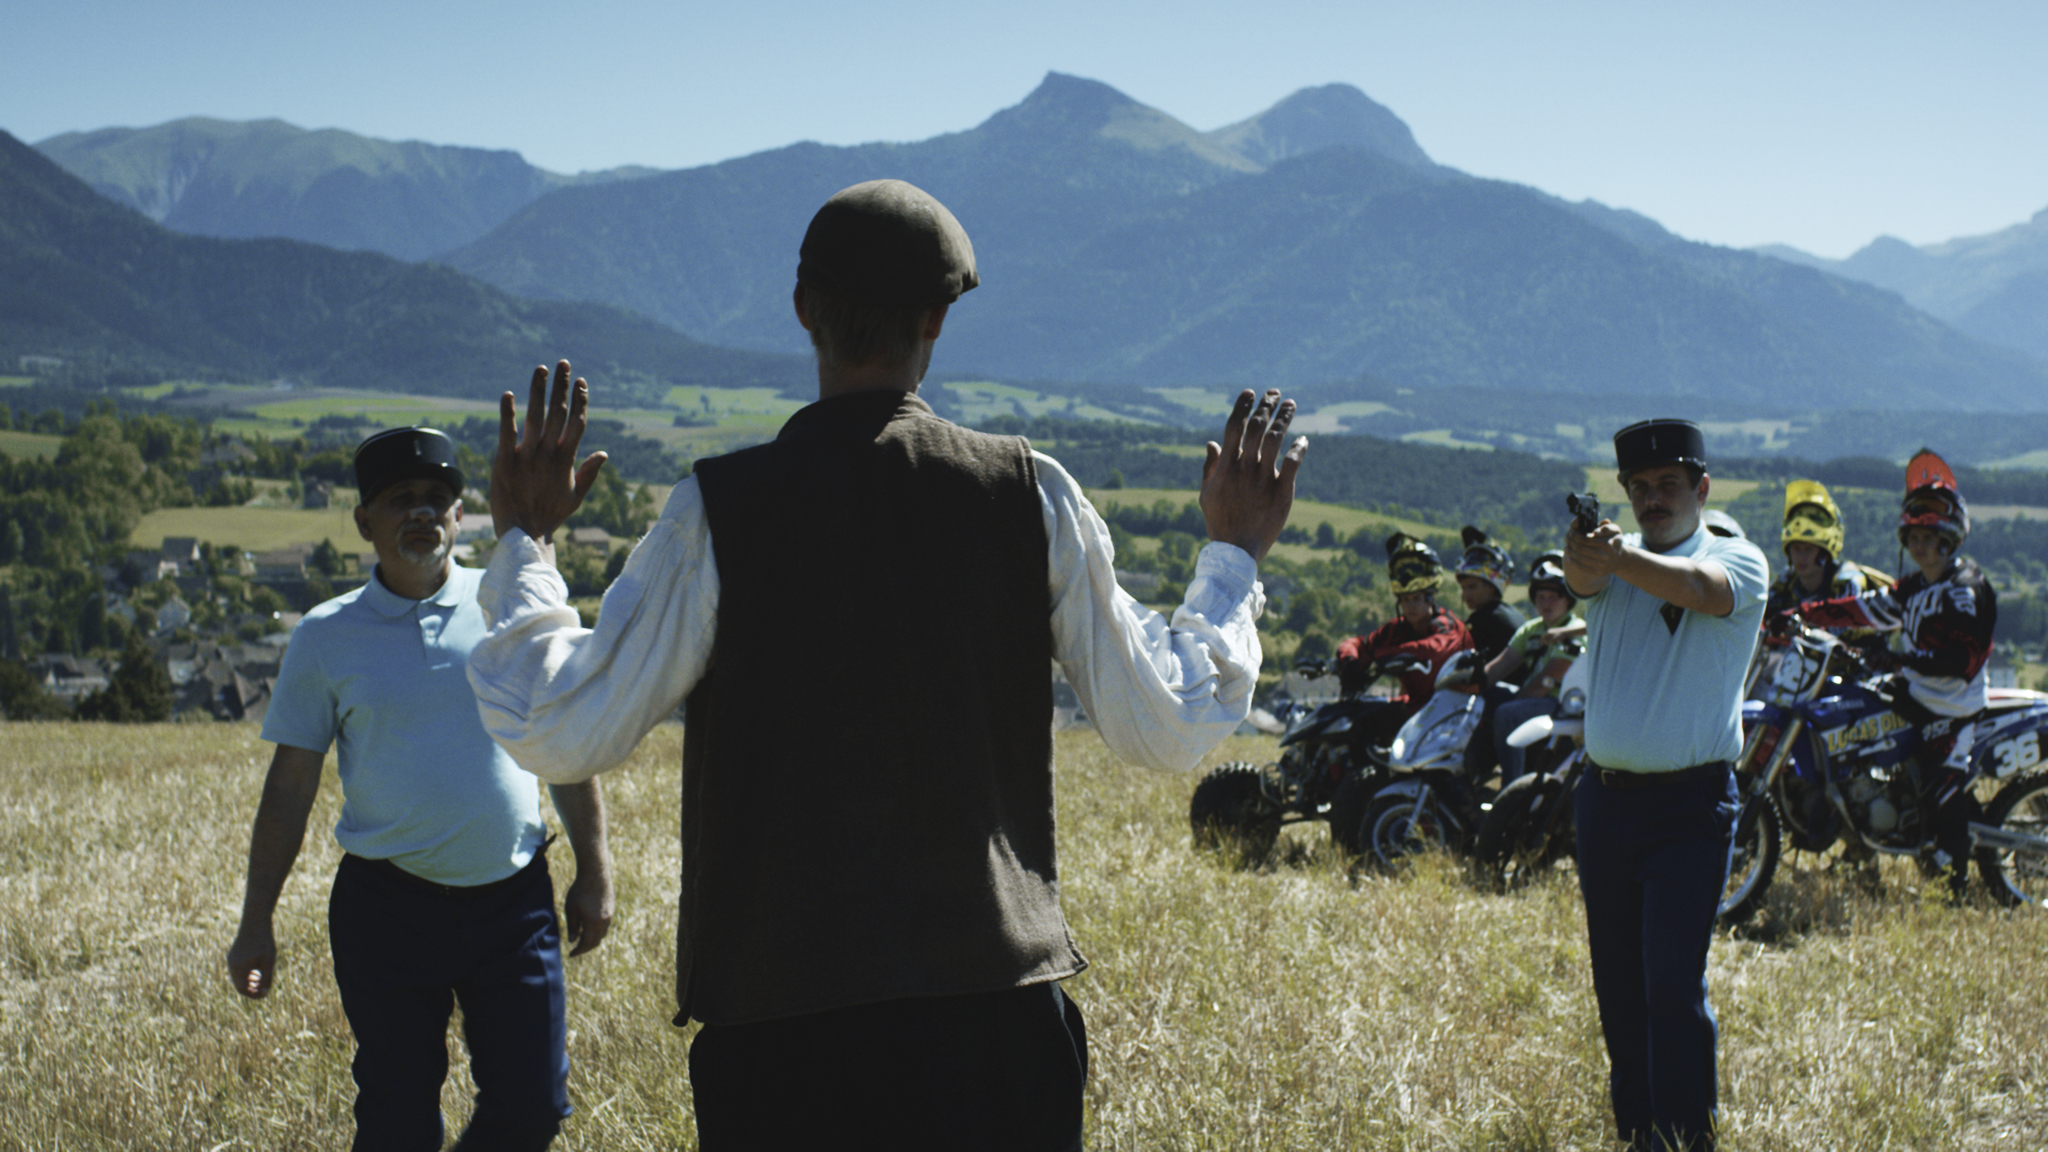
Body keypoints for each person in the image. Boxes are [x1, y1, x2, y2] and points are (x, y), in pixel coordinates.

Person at [464, 178, 1307, 1151]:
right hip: (993, 1024)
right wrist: (1230, 558)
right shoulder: (1029, 497)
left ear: (802, 311)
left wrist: (526, 544)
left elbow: (561, 724)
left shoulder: (717, 513)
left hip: (783, 1040)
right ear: (936, 320)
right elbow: (1169, 724)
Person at [224, 427, 614, 1152]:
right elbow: (289, 790)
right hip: (387, 910)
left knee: (534, 1107)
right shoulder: (325, 636)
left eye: (437, 497)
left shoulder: (509, 608)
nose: (422, 512)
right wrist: (256, 922)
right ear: (364, 522)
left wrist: (594, 870)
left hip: (514, 902)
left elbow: (560, 745)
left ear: (461, 515)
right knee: (397, 1123)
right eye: (401, 499)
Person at [1563, 418, 1768, 1152]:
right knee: (1619, 983)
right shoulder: (1615, 559)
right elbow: (1580, 581)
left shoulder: (1737, 558)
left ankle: (1684, 1138)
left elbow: (1699, 591)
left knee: (1671, 983)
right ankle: (1639, 1131)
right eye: (1640, 487)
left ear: (1701, 488)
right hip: (1604, 800)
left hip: (1688, 806)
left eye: (1669, 485)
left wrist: (1614, 557)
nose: (1653, 498)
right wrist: (1584, 553)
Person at [1787, 449, 1996, 890]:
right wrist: (1802, 613)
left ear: (1948, 539)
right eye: (1913, 537)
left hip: (1953, 709)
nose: (1919, 546)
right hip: (1914, 693)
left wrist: (1901, 659)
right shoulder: (1913, 588)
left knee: (1942, 789)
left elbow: (1963, 661)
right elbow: (1861, 608)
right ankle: (1866, 829)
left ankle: (1955, 881)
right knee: (1854, 725)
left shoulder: (1966, 589)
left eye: (1928, 537)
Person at [1334, 534, 1474, 750]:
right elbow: (1359, 643)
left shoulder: (1450, 627)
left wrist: (1378, 657)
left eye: (1417, 599)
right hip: (1414, 709)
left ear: (1430, 598)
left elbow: (1431, 649)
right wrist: (1350, 661)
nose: (1411, 606)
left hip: (1450, 717)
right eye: (1405, 600)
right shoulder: (1396, 630)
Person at [1479, 551, 1587, 787]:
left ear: (1567, 600)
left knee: (1507, 713)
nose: (1546, 603)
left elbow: (1544, 684)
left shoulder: (1574, 630)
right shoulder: (1532, 630)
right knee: (1478, 700)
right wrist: (1472, 684)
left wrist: (1512, 701)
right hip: (1534, 698)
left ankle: (1511, 787)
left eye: (1553, 597)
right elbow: (1500, 666)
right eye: (1541, 597)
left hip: (1558, 703)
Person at [1764, 479, 1891, 617]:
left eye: (1808, 549)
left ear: (1823, 553)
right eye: (1796, 549)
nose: (1801, 557)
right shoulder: (1783, 585)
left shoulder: (1847, 584)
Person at [1455, 525, 1525, 670]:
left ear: (1492, 587)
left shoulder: (1483, 620)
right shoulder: (1513, 614)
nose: (1466, 594)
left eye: (1472, 587)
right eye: (1463, 588)